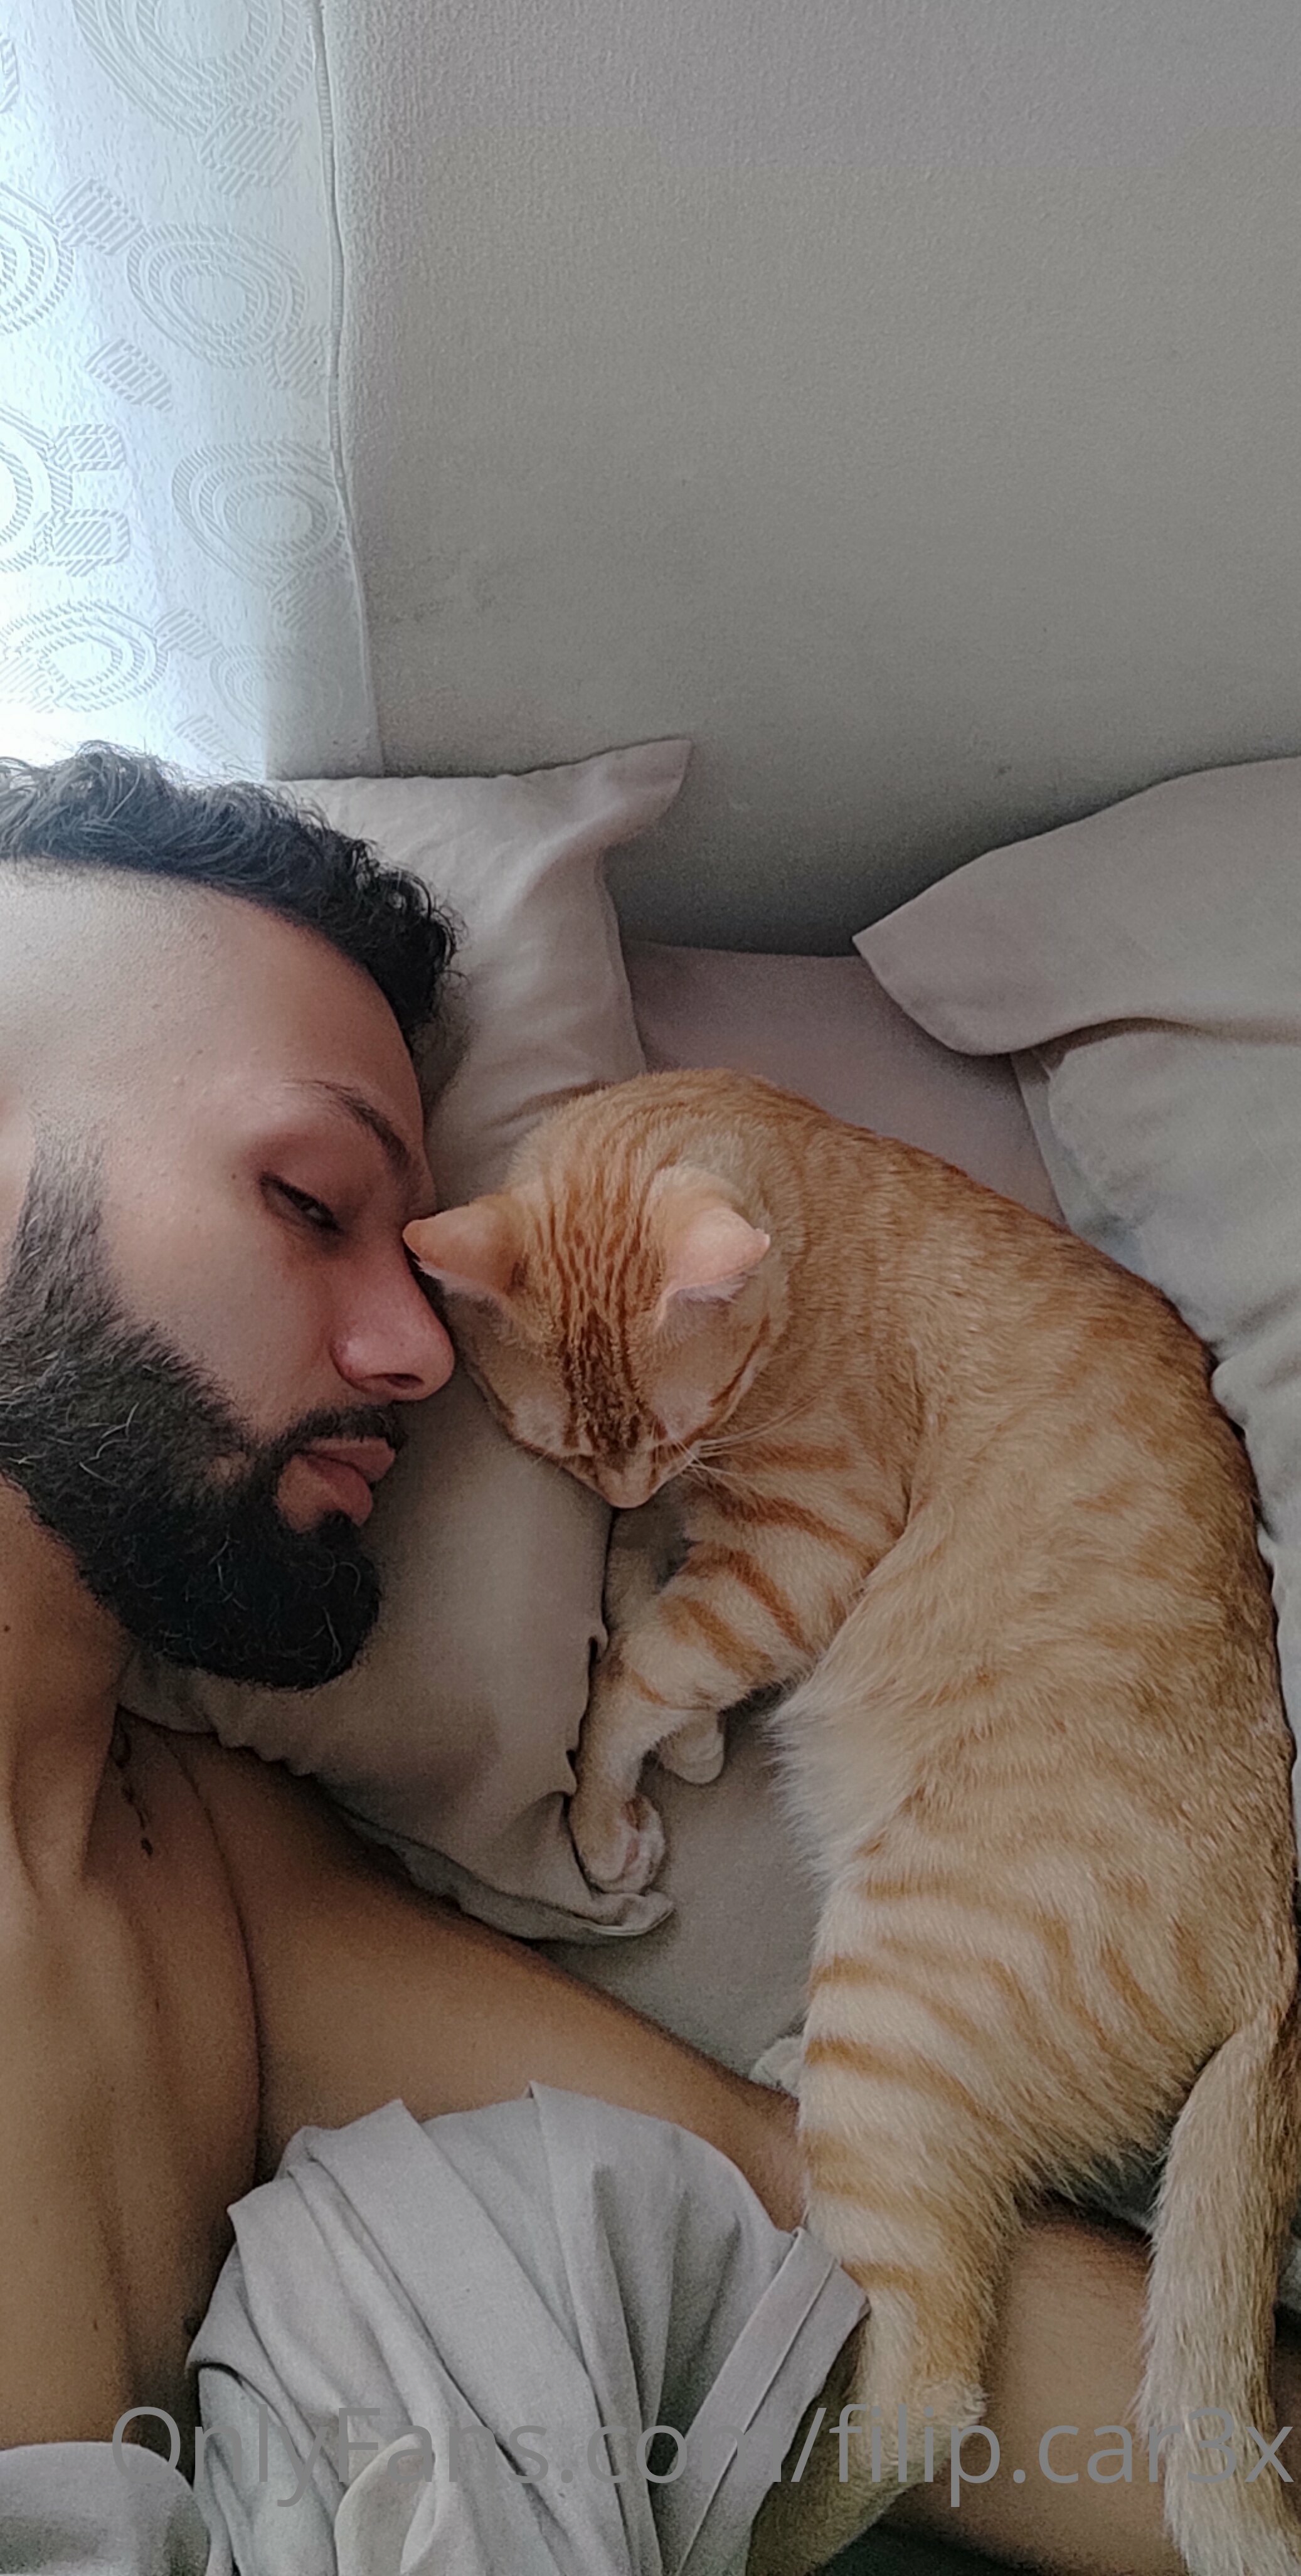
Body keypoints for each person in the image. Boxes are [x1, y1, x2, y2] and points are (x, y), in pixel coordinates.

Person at [0, 743, 1295, 2576]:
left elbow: (797, 2218)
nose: (423, 1350)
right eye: (305, 1197)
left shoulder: (211, 1889)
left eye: (413, 1251)